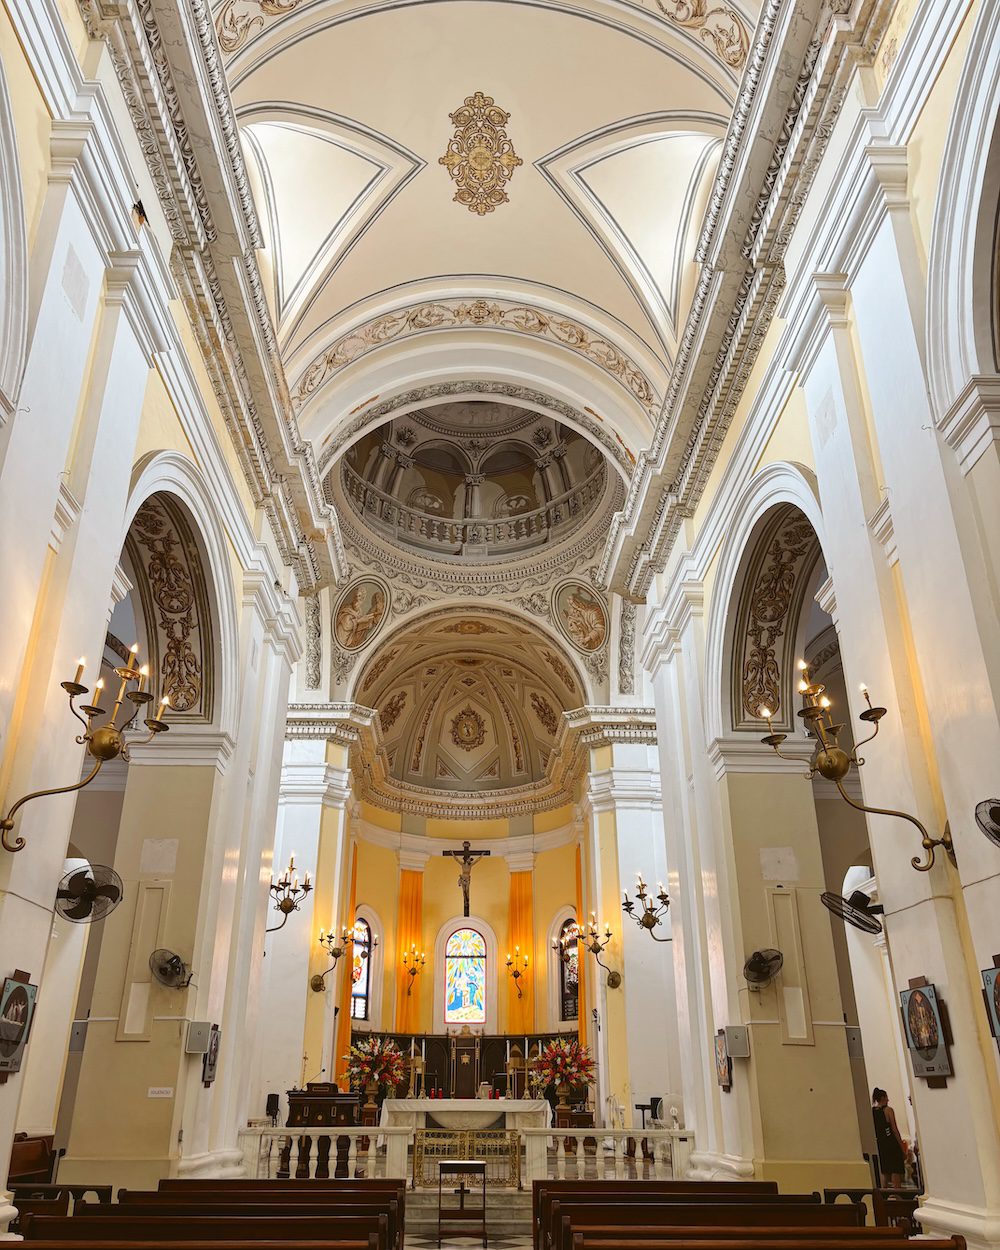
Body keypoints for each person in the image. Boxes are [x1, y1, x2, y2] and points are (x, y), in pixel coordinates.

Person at [872, 1087, 907, 1187]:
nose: (888, 1100)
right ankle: (897, 1194)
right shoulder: (888, 1110)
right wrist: (902, 1147)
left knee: (885, 1171)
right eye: (887, 1097)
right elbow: (894, 1129)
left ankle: (885, 1196)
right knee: (895, 1170)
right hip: (891, 1143)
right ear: (883, 1098)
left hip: (880, 1144)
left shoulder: (872, 1111)